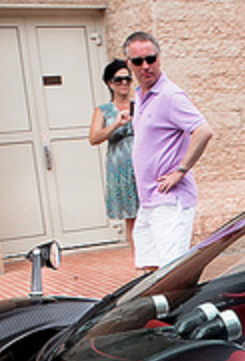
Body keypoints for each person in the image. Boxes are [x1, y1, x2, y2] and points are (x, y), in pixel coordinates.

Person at [123, 31, 215, 271]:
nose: (146, 66)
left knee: (171, 275)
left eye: (151, 59)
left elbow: (203, 131)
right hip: (148, 201)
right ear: (129, 64)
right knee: (149, 273)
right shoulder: (141, 96)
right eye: (138, 61)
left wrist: (180, 171)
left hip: (170, 201)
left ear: (159, 59)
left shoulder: (170, 95)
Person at [89, 59, 139, 244]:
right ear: (110, 83)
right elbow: (94, 138)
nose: (124, 83)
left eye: (127, 79)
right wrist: (117, 124)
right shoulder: (103, 110)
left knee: (148, 215)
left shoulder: (140, 104)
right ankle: (139, 263)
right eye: (119, 80)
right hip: (121, 168)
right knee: (132, 218)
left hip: (142, 165)